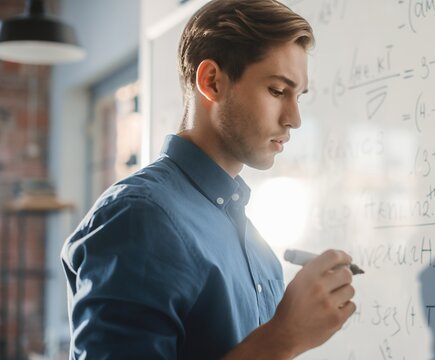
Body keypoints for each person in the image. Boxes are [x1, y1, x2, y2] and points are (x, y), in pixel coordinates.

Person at [61, 0, 356, 359]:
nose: (294, 118)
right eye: (278, 91)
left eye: (299, 96)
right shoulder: (139, 217)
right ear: (212, 81)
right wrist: (283, 337)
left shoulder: (258, 248)